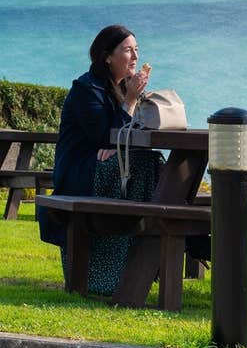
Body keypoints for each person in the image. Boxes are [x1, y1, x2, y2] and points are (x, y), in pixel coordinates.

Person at [39, 24, 162, 296]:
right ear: (107, 56)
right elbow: (101, 136)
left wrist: (133, 103)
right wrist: (129, 101)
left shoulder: (121, 88)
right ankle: (122, 270)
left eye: (137, 50)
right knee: (144, 167)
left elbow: (122, 139)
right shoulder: (87, 88)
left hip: (106, 164)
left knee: (154, 164)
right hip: (80, 170)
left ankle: (152, 258)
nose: (135, 57)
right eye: (128, 50)